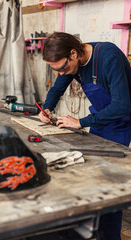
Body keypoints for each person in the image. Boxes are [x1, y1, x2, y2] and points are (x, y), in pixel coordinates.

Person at [38, 32, 131, 240]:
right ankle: (90, 230)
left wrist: (81, 122)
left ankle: (110, 235)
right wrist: (47, 109)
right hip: (101, 119)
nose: (60, 74)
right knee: (92, 175)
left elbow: (122, 105)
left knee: (110, 184)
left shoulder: (108, 57)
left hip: (121, 121)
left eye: (62, 68)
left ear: (73, 54)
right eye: (55, 70)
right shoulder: (73, 62)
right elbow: (57, 89)